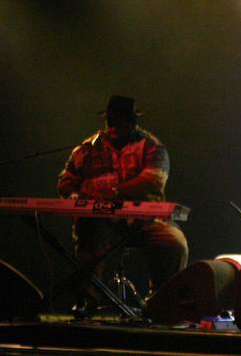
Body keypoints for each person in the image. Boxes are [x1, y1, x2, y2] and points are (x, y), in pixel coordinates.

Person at [57, 95, 188, 316]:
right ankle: (87, 299)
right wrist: (75, 198)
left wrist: (110, 191)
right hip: (101, 221)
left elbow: (153, 181)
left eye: (122, 121)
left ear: (133, 122)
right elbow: (65, 181)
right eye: (111, 121)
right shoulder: (87, 148)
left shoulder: (151, 146)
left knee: (173, 243)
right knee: (87, 232)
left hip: (145, 220)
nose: (115, 126)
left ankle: (161, 302)